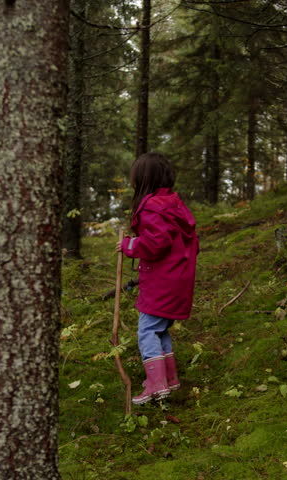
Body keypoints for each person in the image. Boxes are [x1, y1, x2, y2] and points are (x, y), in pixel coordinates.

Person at [116, 152, 199, 405]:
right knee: (160, 328)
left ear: (142, 179)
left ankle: (155, 384)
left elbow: (156, 242)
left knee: (147, 330)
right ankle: (169, 378)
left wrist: (130, 246)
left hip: (163, 280)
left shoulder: (152, 206)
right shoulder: (173, 203)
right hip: (177, 278)